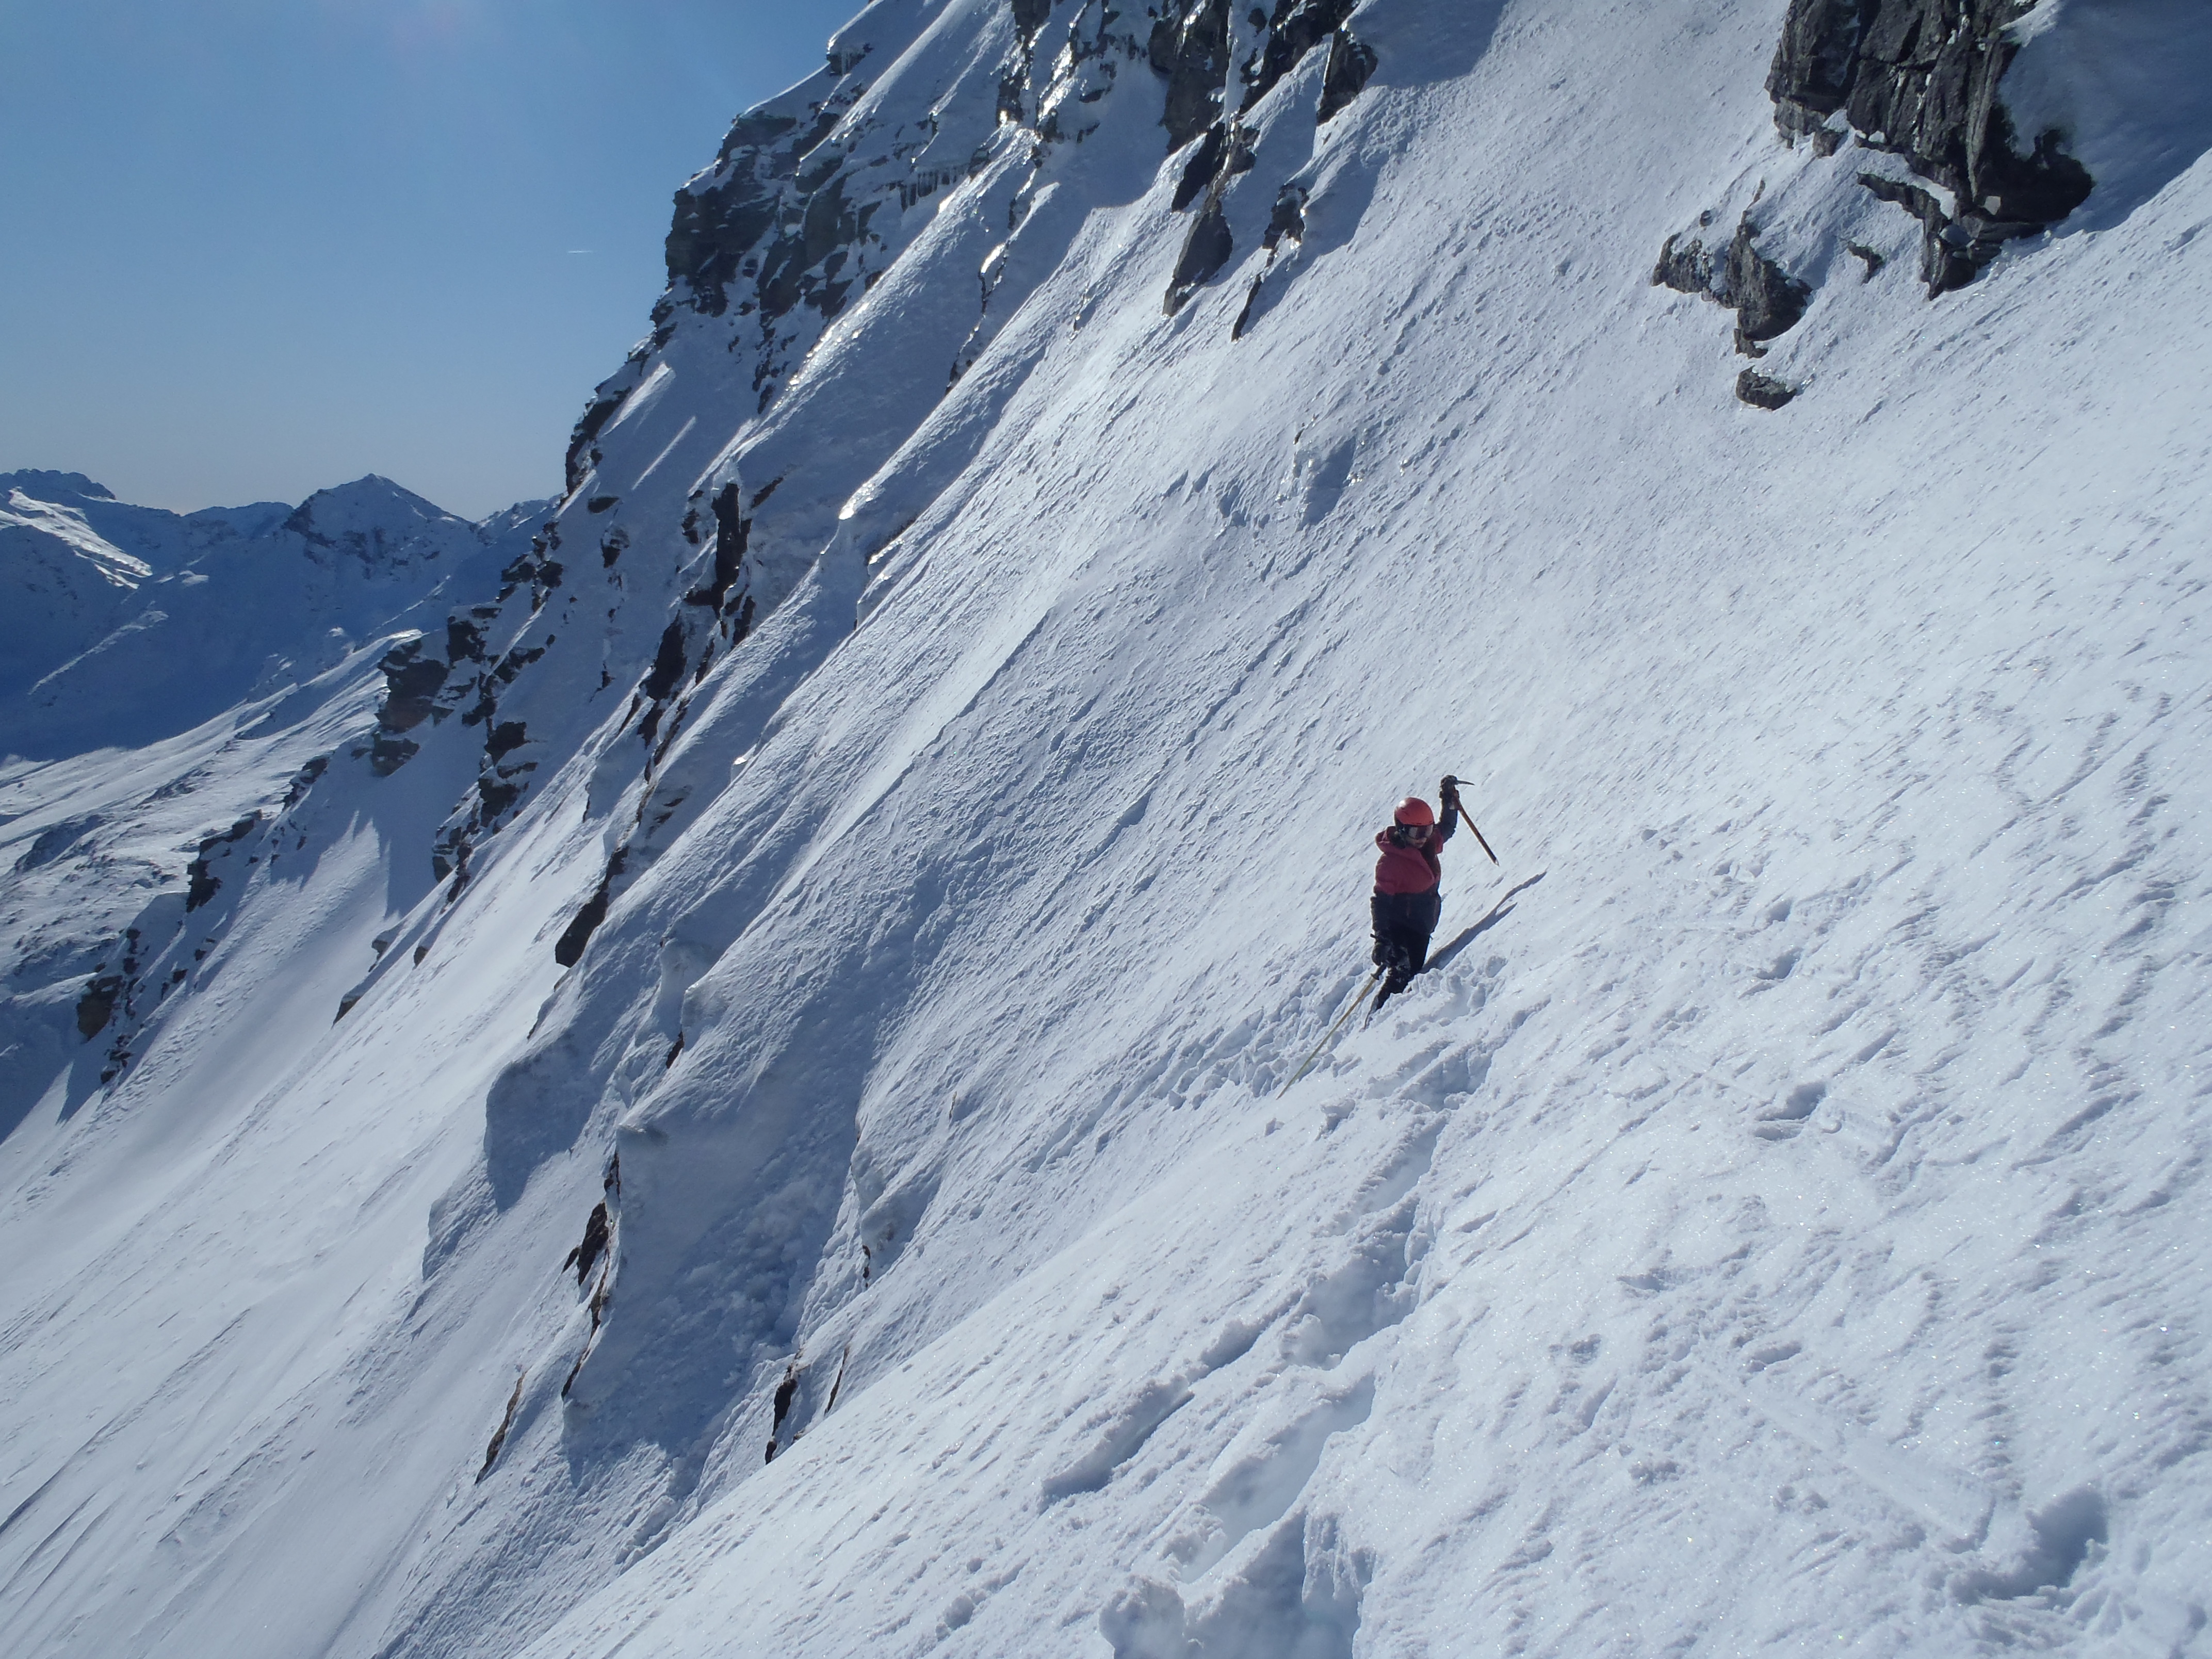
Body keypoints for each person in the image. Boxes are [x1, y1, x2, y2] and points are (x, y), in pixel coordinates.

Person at [1371, 779, 1460, 1009]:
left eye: (1427, 830)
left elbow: (1447, 829)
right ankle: (1377, 1018)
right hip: (1401, 930)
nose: (1422, 837)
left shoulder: (1427, 844)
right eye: (1416, 831)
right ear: (1401, 830)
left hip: (1421, 926)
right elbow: (1380, 902)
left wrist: (1449, 801)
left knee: (1414, 970)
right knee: (1402, 973)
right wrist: (1383, 939)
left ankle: (1387, 1014)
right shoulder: (1390, 863)